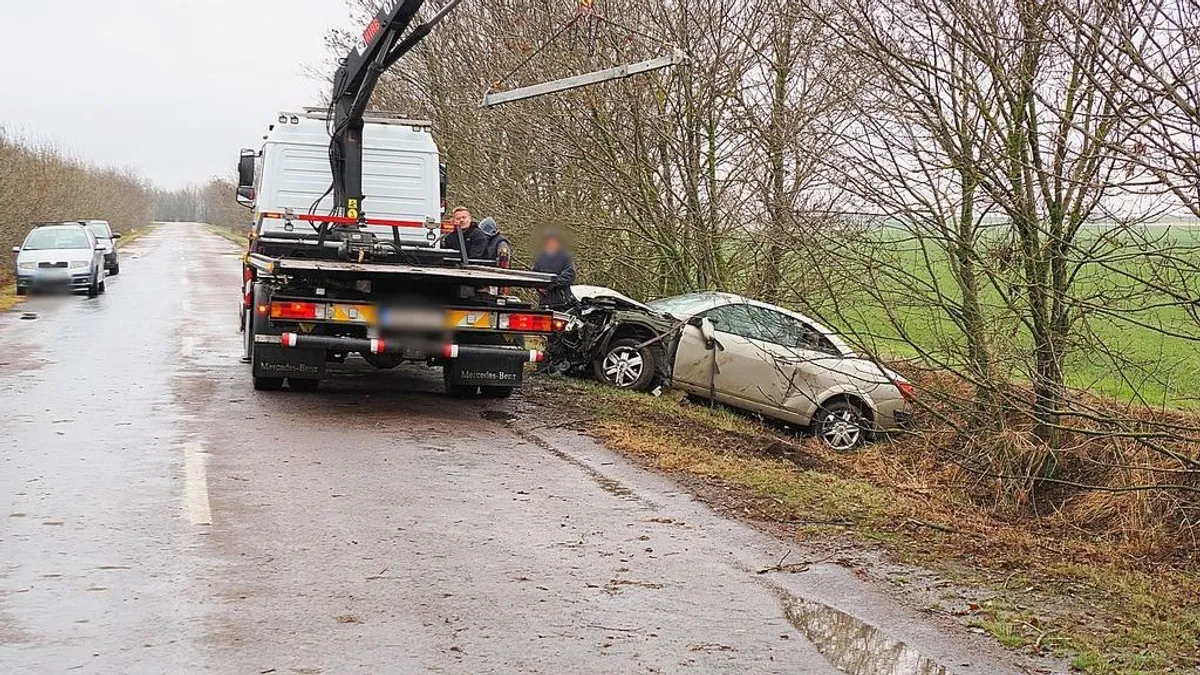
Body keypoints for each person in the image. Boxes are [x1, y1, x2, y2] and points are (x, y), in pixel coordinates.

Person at [532, 230, 577, 309]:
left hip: (562, 302)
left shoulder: (565, 257)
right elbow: (534, 275)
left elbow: (570, 275)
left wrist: (551, 283)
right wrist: (539, 287)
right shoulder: (539, 259)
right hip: (544, 303)